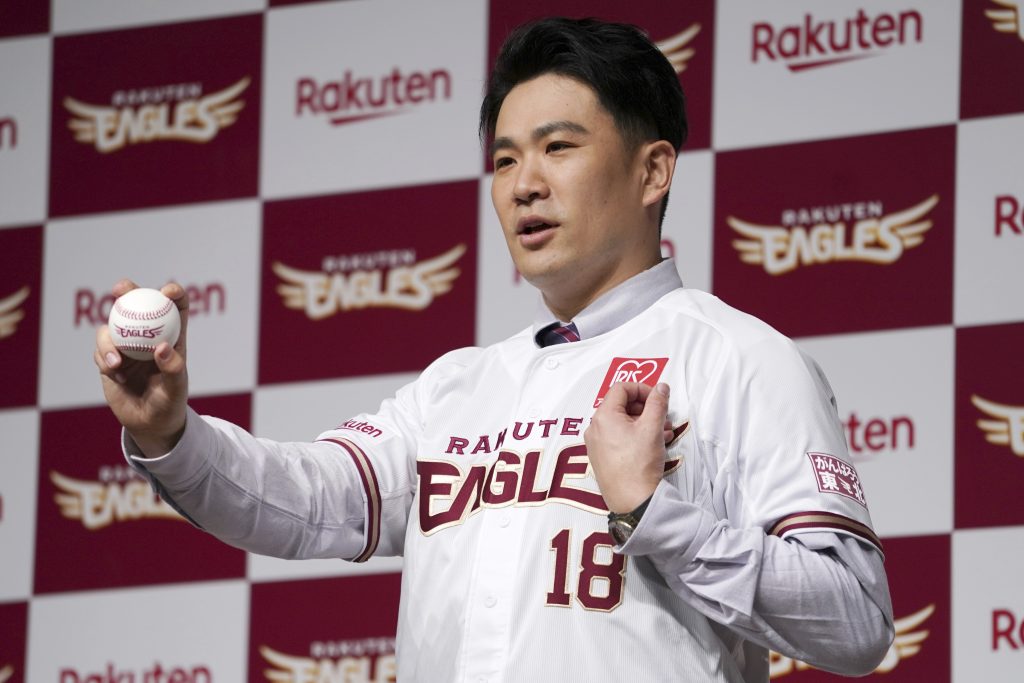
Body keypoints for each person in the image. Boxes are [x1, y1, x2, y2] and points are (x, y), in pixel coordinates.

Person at [95, 17, 894, 683]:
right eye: (505, 158)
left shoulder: (741, 357)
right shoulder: (459, 385)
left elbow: (855, 620)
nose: (522, 184)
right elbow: (301, 501)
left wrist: (658, 516)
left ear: (653, 171)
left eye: (558, 147)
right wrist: (171, 433)